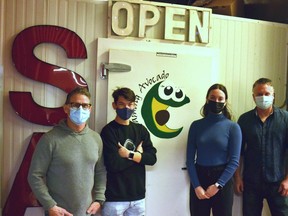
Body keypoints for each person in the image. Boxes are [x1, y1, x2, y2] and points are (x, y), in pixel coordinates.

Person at [28, 87, 106, 216]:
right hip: (59, 213)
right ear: (66, 108)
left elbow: (100, 171)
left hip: (87, 212)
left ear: (90, 109)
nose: (81, 109)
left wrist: (99, 199)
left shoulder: (96, 138)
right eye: (75, 105)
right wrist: (50, 206)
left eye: (85, 106)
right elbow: (35, 175)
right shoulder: (50, 139)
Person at [234, 78, 288, 216]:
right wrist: (238, 178)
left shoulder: (285, 119)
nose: (263, 97)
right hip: (251, 183)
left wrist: (287, 180)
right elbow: (237, 152)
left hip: (278, 183)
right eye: (259, 94)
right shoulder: (244, 120)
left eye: (267, 94)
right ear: (253, 97)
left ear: (273, 95)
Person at [186, 83, 242, 216]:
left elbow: (234, 162)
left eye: (220, 98)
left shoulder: (233, 127)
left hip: (222, 180)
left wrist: (218, 185)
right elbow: (189, 160)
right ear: (207, 99)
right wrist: (197, 186)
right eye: (213, 97)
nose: (216, 101)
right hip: (199, 179)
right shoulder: (196, 126)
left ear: (225, 101)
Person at [100, 87, 157, 216]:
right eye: (122, 104)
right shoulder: (108, 131)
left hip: (138, 198)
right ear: (114, 105)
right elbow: (113, 165)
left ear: (134, 105)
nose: (127, 108)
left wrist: (129, 155)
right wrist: (139, 156)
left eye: (130, 104)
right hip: (115, 199)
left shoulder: (141, 130)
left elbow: (152, 159)